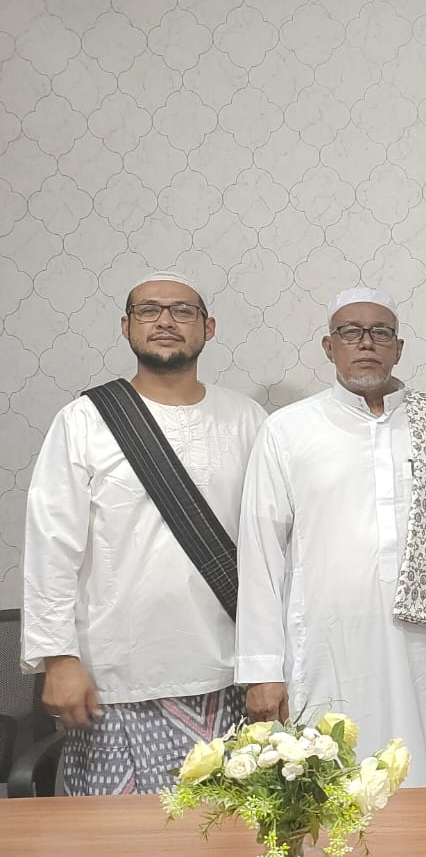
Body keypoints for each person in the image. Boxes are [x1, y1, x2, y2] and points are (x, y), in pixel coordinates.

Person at [22, 271, 265, 795]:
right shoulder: (83, 421)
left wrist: (271, 664)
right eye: (149, 310)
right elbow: (50, 547)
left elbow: (272, 551)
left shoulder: (248, 420)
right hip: (114, 679)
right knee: (115, 834)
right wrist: (58, 659)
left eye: (183, 311)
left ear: (209, 327)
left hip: (229, 677)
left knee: (226, 829)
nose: (165, 321)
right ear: (126, 326)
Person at [235, 287, 426, 786]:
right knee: (328, 785)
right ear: (328, 346)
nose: (366, 342)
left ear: (398, 347)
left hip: (420, 652)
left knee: (421, 773)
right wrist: (262, 671)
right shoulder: (288, 429)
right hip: (322, 648)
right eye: (350, 332)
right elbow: (260, 554)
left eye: (380, 332)